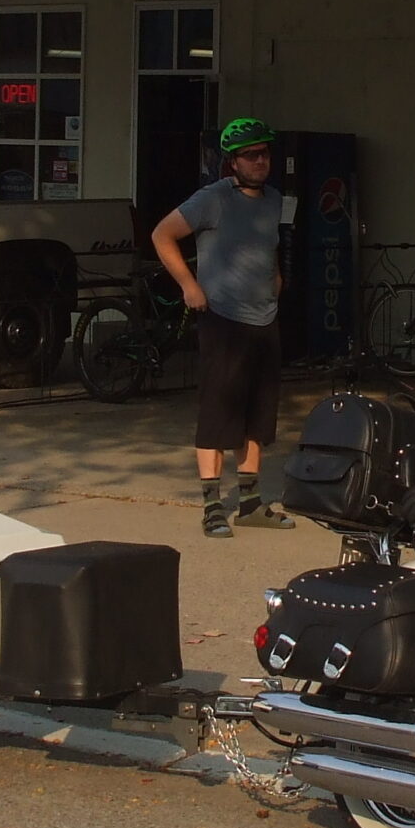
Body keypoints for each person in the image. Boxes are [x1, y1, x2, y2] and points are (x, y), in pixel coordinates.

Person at [152, 117, 294, 538]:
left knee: (258, 413)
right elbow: (163, 234)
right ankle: (212, 504)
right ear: (233, 161)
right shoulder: (211, 198)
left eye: (265, 153)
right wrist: (189, 285)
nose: (260, 161)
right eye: (251, 155)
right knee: (218, 412)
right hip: (223, 318)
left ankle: (250, 501)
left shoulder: (273, 199)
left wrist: (276, 278)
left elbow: (270, 246)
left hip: (263, 318)